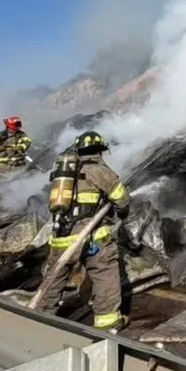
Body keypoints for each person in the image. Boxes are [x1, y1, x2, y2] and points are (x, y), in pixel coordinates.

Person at [38, 130, 131, 332]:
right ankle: (107, 322)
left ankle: (41, 315)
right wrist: (121, 213)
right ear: (100, 150)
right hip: (92, 237)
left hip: (61, 235)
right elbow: (122, 200)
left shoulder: (65, 173)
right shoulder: (100, 170)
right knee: (105, 273)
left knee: (54, 278)